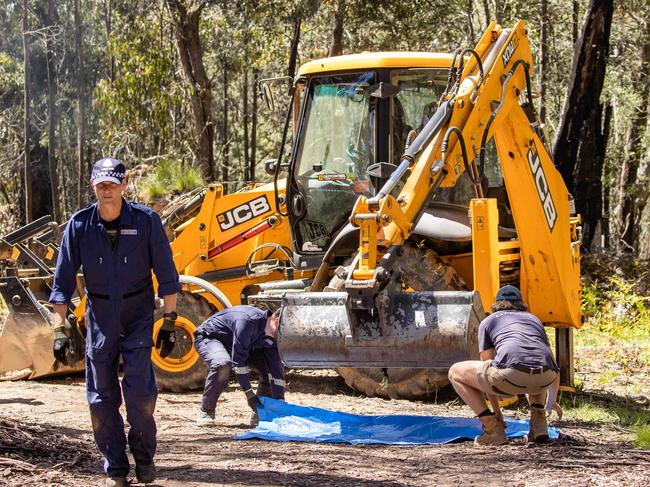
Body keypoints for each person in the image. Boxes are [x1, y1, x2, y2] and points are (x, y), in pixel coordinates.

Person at [49, 157, 181, 487]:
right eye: (101, 185)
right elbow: (62, 284)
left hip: (137, 315)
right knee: (101, 397)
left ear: (124, 185)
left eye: (113, 184)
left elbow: (167, 275)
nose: (107, 191)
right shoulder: (79, 226)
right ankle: (116, 466)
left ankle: (145, 458)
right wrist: (59, 330)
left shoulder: (146, 221)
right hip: (100, 319)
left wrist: (169, 321)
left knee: (140, 394)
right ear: (93, 186)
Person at [448, 285, 562, 446]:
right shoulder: (533, 319)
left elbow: (487, 365)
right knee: (533, 361)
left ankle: (492, 428)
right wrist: (551, 401)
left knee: (455, 372)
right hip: (546, 377)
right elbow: (551, 361)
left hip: (511, 377)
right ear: (521, 304)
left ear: (496, 304)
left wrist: (498, 415)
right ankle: (539, 424)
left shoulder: (488, 321)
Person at [193, 305, 285, 427]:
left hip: (237, 344)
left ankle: (259, 413)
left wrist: (280, 401)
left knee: (267, 368)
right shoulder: (248, 321)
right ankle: (206, 411)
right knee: (223, 365)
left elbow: (275, 368)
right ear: (277, 321)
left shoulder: (274, 336)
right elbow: (238, 360)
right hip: (211, 338)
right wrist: (249, 394)